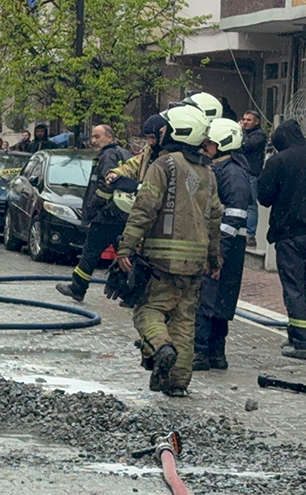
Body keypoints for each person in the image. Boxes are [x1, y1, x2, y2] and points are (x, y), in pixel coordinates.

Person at [114, 105, 222, 397]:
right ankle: (177, 383)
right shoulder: (207, 173)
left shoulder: (164, 165)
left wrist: (126, 247)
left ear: (177, 131)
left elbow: (144, 209)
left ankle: (161, 347)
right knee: (185, 322)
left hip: (161, 261)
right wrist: (214, 258)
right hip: (196, 264)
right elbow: (214, 219)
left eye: (165, 130)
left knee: (148, 311)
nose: (161, 135)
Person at [256, 119, 306, 360]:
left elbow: (265, 197)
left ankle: (302, 342)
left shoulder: (278, 161)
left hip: (289, 232)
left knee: (292, 288)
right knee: (304, 287)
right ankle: (298, 331)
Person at [194, 118, 253, 371]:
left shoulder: (232, 174)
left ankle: (203, 353)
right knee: (217, 301)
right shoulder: (224, 169)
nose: (205, 148)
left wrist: (217, 255)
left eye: (209, 143)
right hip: (223, 248)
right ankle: (215, 354)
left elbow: (234, 217)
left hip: (224, 248)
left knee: (209, 300)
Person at [56, 124, 132, 302]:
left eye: (98, 137)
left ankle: (78, 288)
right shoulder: (124, 154)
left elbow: (106, 185)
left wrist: (94, 207)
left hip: (106, 216)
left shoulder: (108, 156)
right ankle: (131, 293)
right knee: (125, 254)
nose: (93, 140)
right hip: (122, 214)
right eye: (92, 136)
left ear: (110, 138)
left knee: (90, 252)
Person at [238, 110, 266, 249]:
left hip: (252, 173)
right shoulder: (247, 134)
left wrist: (239, 132)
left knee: (250, 205)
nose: (245, 122)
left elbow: (245, 145)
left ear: (256, 122)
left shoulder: (259, 135)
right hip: (242, 171)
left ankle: (250, 234)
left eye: (249, 120)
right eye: (244, 119)